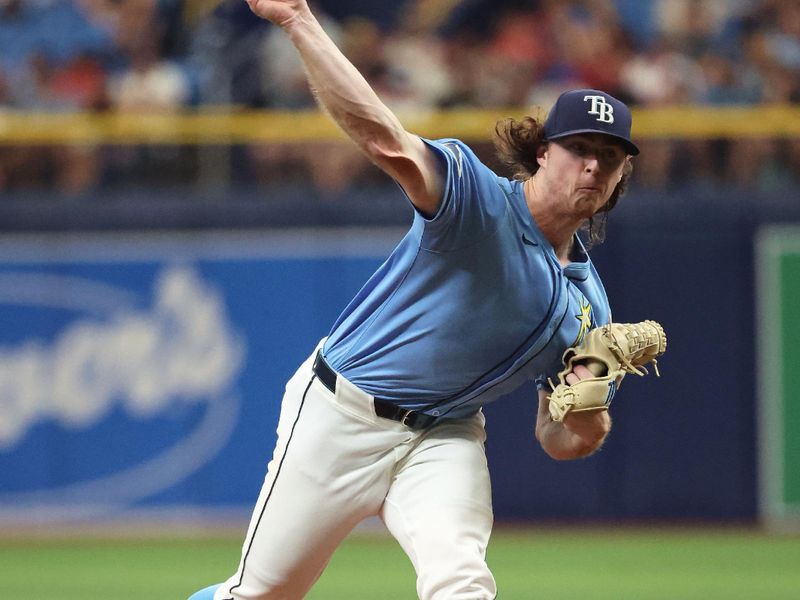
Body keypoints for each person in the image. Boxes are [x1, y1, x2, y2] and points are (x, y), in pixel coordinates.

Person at [188, 0, 640, 598]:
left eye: (608, 157)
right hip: (342, 414)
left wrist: (590, 400)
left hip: (445, 436)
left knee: (461, 582)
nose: (592, 165)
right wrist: (298, 18)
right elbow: (384, 139)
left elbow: (561, 440)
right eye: (579, 148)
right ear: (542, 152)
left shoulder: (591, 309)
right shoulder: (479, 200)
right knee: (263, 592)